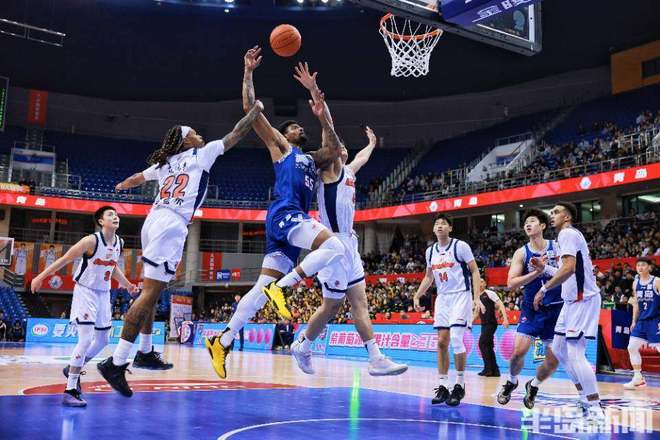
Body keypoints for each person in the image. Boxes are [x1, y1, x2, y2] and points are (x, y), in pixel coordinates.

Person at [96, 100, 265, 397]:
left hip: (154, 220)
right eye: (195, 133)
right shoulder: (201, 154)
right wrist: (256, 112)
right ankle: (117, 362)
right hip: (171, 224)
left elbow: (137, 178)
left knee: (153, 291)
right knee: (149, 294)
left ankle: (145, 351)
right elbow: (236, 133)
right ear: (186, 140)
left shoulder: (164, 164)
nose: (200, 135)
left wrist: (122, 185)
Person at [206, 48, 346, 380]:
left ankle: (222, 341)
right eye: (294, 126)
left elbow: (335, 148)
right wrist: (248, 72)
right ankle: (283, 287)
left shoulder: (312, 159)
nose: (298, 128)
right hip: (286, 214)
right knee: (335, 246)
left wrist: (320, 108)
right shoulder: (281, 147)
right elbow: (249, 109)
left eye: (299, 125)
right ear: (285, 134)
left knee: (260, 289)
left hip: (288, 226)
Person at [288, 63, 407, 377]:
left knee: (354, 303)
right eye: (337, 146)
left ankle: (372, 358)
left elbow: (361, 158)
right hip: (332, 245)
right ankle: (305, 345)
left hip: (349, 244)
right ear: (331, 154)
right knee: (335, 306)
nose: (341, 147)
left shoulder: (349, 170)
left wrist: (371, 145)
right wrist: (316, 96)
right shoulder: (329, 172)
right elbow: (328, 130)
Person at [31, 206, 138, 407]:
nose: (115, 217)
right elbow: (65, 259)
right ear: (101, 221)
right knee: (86, 339)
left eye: (116, 214)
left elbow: (112, 267)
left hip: (104, 294)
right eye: (110, 215)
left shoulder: (119, 242)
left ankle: (73, 367)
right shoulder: (90, 241)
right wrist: (40, 277)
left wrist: (127, 284)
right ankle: (70, 389)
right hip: (85, 291)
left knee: (103, 340)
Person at [525, 202, 606, 430]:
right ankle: (585, 400)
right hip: (570, 302)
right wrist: (543, 269)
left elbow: (569, 269)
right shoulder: (565, 238)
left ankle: (595, 410)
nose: (552, 215)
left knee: (576, 353)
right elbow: (566, 270)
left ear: (567, 217)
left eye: (556, 212)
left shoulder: (568, 233)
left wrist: (543, 289)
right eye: (551, 212)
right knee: (559, 350)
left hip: (583, 300)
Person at [414, 214, 482, 406]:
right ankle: (443, 386)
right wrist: (417, 295)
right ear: (433, 229)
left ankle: (459, 385)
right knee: (442, 342)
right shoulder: (430, 251)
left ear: (450, 228)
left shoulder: (460, 246)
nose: (440, 226)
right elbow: (429, 277)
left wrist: (476, 298)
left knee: (456, 339)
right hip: (443, 298)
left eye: (443, 223)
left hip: (461, 295)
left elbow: (475, 271)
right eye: (437, 224)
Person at [497, 209, 563, 405]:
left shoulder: (557, 247)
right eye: (526, 222)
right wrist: (536, 272)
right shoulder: (522, 252)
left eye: (532, 221)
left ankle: (533, 385)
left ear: (542, 226)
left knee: (553, 361)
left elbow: (567, 271)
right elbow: (511, 283)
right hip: (532, 309)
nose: (528, 224)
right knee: (518, 352)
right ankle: (512, 381)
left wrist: (546, 270)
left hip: (556, 309)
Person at [624, 256, 660, 389]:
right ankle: (638, 378)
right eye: (638, 265)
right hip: (642, 321)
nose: (640, 267)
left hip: (655, 320)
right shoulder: (635, 283)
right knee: (631, 347)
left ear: (649, 267)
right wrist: (634, 321)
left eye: (643, 265)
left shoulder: (657, 281)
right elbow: (636, 304)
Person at [474, 279, 508, 377]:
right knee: (488, 346)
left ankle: (488, 369)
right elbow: (476, 313)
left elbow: (501, 304)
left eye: (482, 281)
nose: (480, 283)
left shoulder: (489, 293)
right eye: (478, 281)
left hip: (491, 323)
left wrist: (505, 319)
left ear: (485, 284)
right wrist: (469, 323)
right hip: (484, 324)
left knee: (482, 343)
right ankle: (495, 371)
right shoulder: (477, 297)